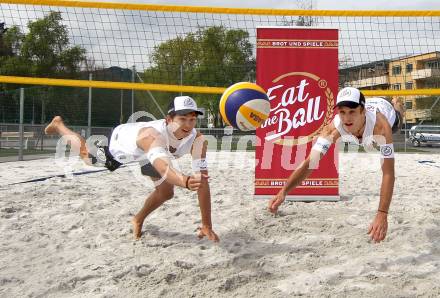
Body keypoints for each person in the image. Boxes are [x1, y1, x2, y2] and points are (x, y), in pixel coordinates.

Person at [45, 96, 219, 242]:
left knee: (166, 192)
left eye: (192, 119)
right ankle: (59, 124)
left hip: (154, 156)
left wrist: (207, 225)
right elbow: (165, 168)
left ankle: (137, 219)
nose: (188, 125)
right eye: (182, 119)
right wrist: (186, 181)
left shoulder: (198, 140)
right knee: (87, 157)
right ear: (168, 120)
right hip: (122, 145)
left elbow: (203, 182)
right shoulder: (151, 136)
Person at [268, 87, 404, 243]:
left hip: (385, 110)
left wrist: (382, 213)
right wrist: (284, 191)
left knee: (398, 124)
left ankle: (397, 103)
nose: (347, 118)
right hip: (367, 110)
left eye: (351, 112)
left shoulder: (380, 126)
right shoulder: (333, 128)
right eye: (342, 112)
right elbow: (310, 163)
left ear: (362, 111)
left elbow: (388, 173)